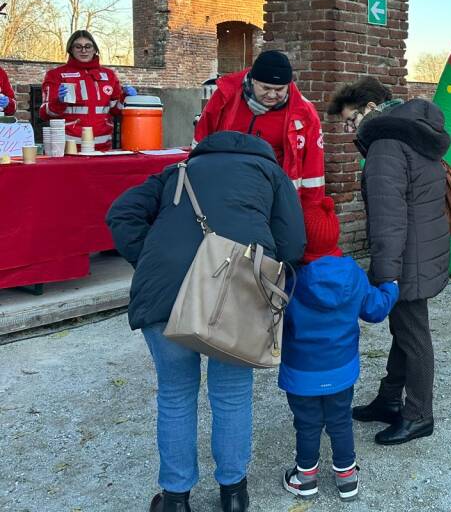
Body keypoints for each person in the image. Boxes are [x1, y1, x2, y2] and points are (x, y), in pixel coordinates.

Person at [106, 131, 305, 512]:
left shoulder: (176, 170)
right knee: (231, 394)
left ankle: (176, 499)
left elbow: (121, 213)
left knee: (175, 394)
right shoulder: (270, 174)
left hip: (165, 292)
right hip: (236, 298)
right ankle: (233, 494)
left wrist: (148, 256)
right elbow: (293, 244)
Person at [328, 76, 451, 447]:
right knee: (405, 330)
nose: (350, 131)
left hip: (405, 258)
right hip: (421, 249)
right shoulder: (414, 132)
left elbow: (388, 218)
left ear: (369, 109)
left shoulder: (384, 144)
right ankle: (388, 399)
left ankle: (418, 415)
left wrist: (386, 275)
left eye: (351, 121)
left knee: (414, 336)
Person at [280, 196, 398, 502]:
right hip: (340, 370)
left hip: (301, 372)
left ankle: (305, 478)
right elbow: (374, 311)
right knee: (340, 421)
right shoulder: (353, 274)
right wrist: (391, 288)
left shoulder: (289, 279)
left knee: (306, 424)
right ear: (336, 234)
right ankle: (347, 478)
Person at [194, 50, 325, 204]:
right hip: (223, 188)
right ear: (253, 80)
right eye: (266, 88)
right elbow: (200, 143)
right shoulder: (224, 97)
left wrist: (312, 211)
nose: (271, 95)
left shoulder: (305, 114)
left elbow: (313, 170)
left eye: (279, 90)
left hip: (273, 196)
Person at [40, 30, 136, 150]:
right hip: (68, 148)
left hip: (103, 147)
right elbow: (44, 114)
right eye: (78, 47)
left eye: (88, 46)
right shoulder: (56, 75)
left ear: (95, 49)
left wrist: (125, 98)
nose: (83, 50)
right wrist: (59, 102)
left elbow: (115, 111)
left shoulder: (109, 75)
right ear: (71, 50)